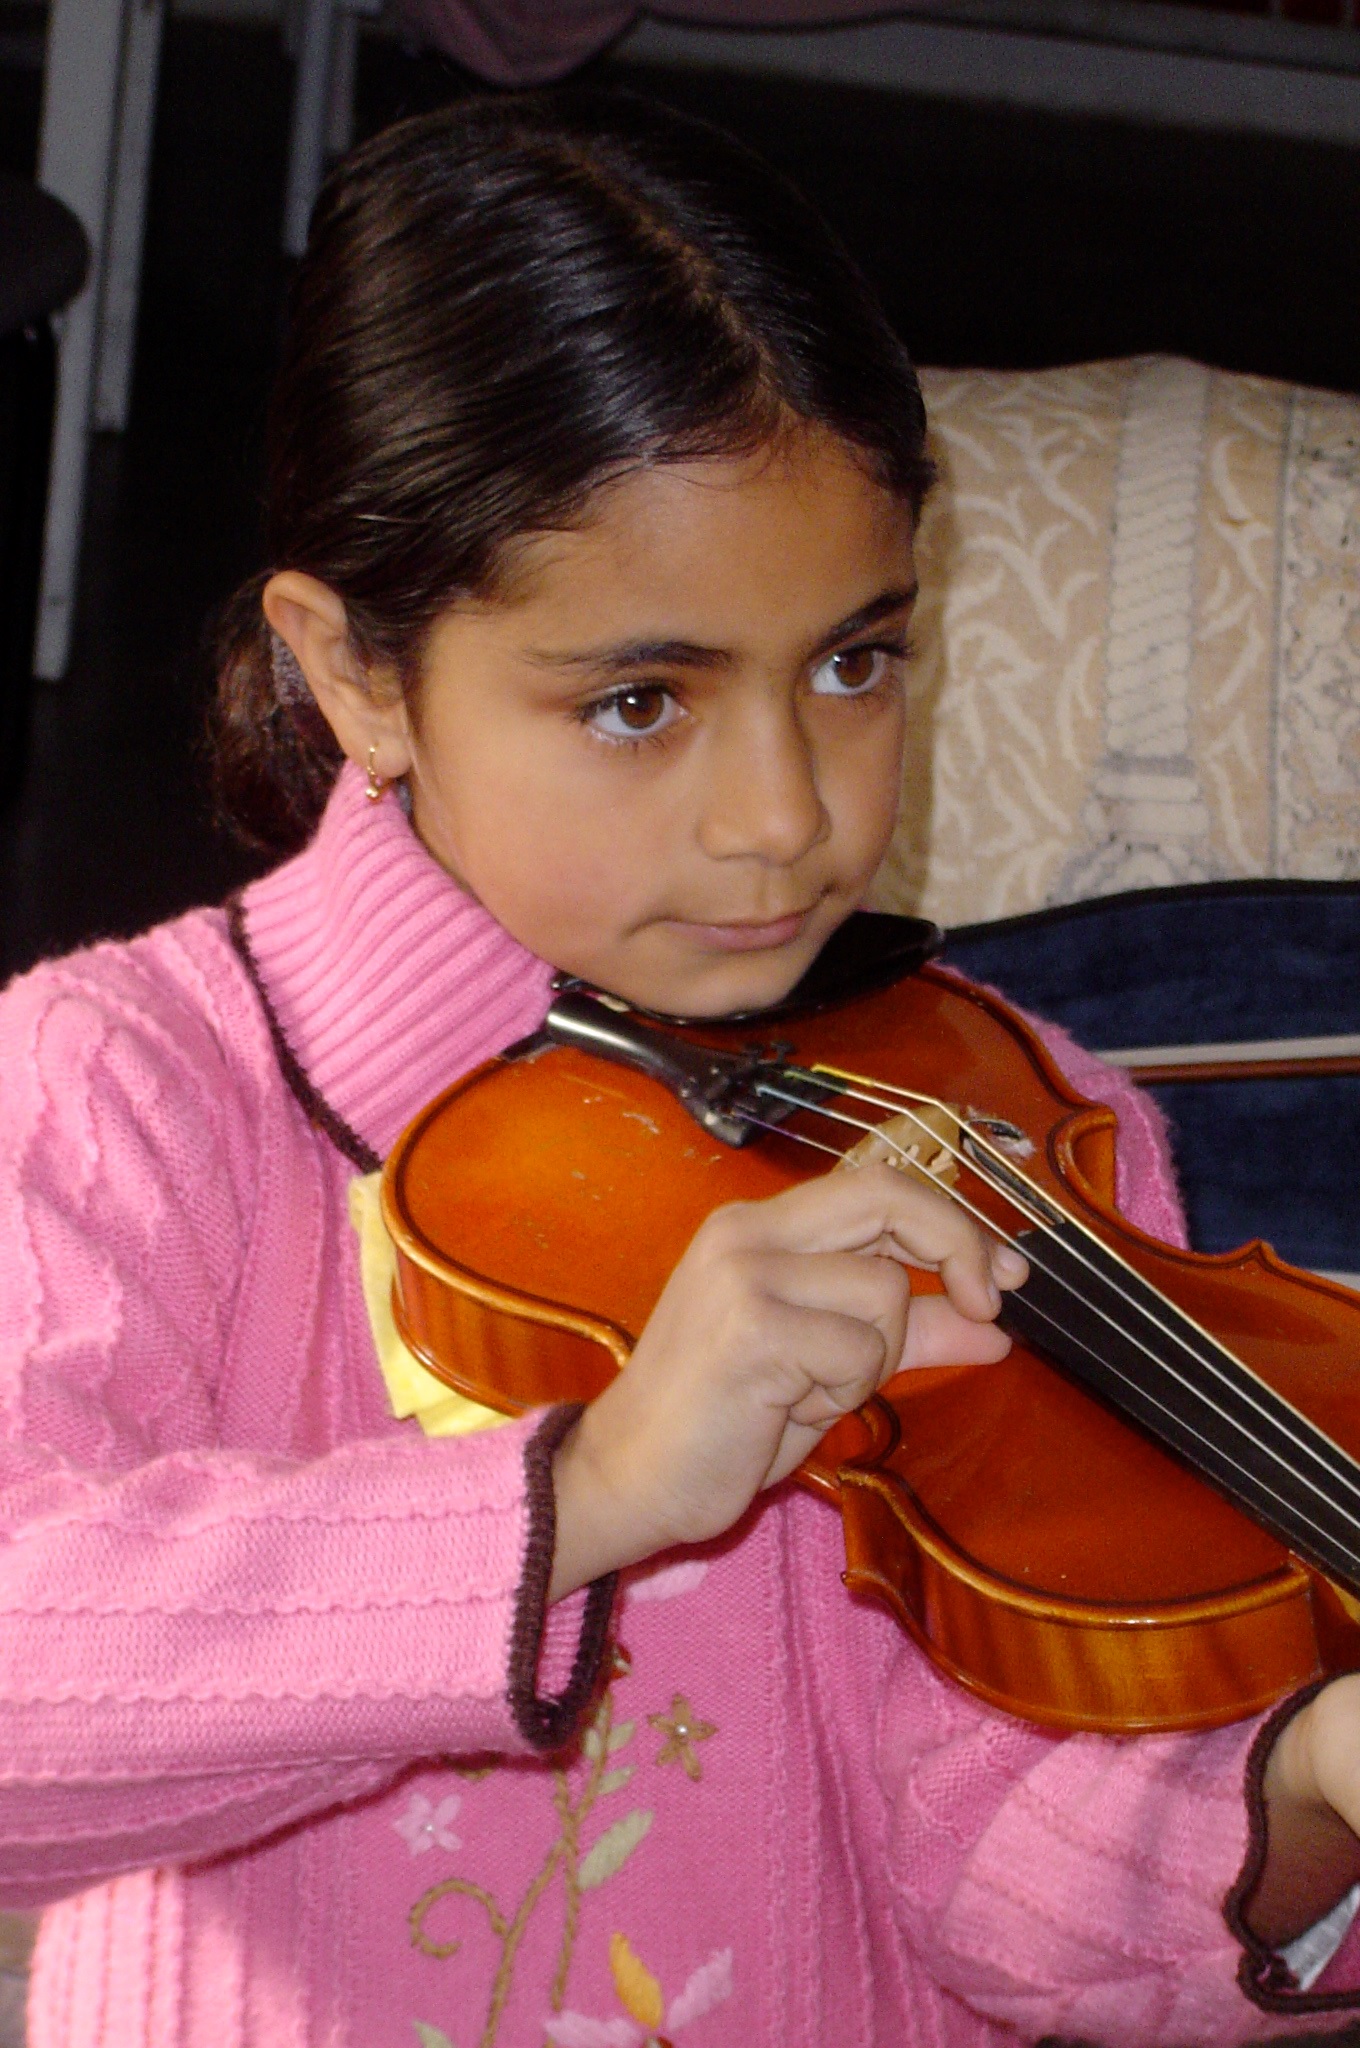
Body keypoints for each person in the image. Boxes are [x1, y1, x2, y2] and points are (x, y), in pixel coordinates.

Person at [1, 91, 1358, 2048]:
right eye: (641, 700)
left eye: (852, 661)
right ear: (357, 670)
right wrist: (592, 1491)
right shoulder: (127, 1085)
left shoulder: (993, 1127)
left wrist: (1299, 1786)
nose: (787, 818)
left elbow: (996, 1853)